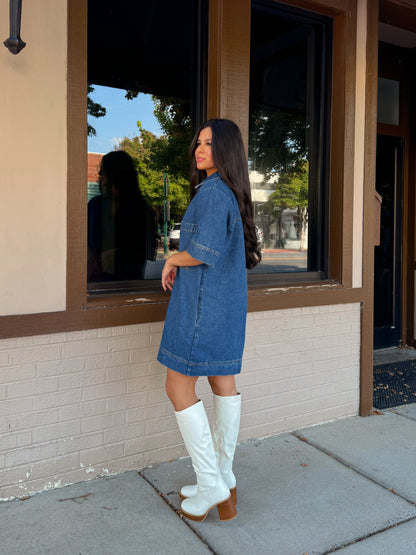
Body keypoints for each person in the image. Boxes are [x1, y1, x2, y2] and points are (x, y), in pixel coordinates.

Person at [157, 119, 261, 522]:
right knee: (223, 383)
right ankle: (221, 478)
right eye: (198, 143)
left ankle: (211, 481)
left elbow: (204, 251)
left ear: (227, 150)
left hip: (203, 308)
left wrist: (171, 258)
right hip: (225, 306)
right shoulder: (229, 192)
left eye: (209, 143)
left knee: (177, 386)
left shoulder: (214, 193)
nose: (199, 149)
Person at [87, 150, 156, 282]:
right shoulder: (95, 205)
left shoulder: (142, 210)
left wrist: (117, 254)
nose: (100, 175)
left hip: (126, 285)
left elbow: (145, 250)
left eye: (104, 171)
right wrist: (87, 252)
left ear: (116, 174)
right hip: (93, 284)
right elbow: (79, 237)